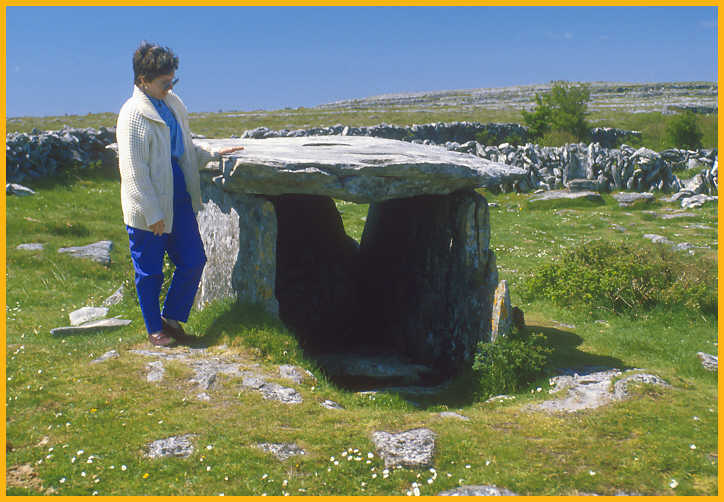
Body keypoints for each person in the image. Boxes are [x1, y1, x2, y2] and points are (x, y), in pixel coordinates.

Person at [116, 42, 244, 346]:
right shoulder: (132, 114)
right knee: (149, 271)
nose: (170, 86)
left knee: (193, 260)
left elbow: (181, 148)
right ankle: (154, 329)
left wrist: (211, 153)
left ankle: (171, 317)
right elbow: (134, 172)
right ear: (143, 80)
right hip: (148, 203)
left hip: (178, 193)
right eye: (164, 82)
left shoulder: (172, 103)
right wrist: (153, 213)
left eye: (173, 80)